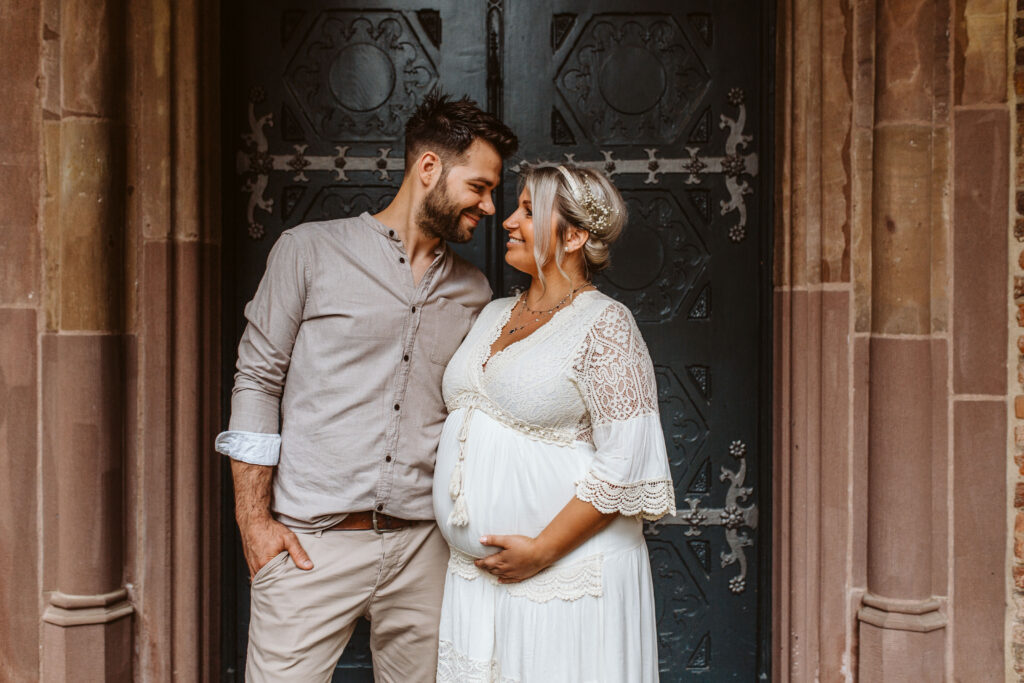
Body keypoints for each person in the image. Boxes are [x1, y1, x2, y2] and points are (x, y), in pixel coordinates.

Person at [215, 92, 517, 682]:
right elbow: (256, 379)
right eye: (479, 187)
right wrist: (253, 522)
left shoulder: (474, 292)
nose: (488, 205)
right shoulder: (308, 252)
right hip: (310, 545)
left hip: (424, 550)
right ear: (428, 167)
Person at [432, 164, 676, 682]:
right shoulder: (495, 311)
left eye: (527, 211)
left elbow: (626, 462)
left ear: (575, 236)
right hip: (479, 581)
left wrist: (541, 551)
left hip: (568, 576)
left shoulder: (606, 324)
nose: (508, 222)